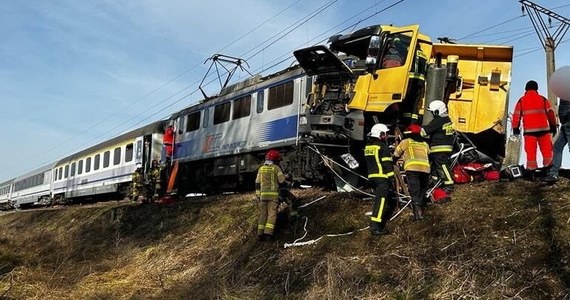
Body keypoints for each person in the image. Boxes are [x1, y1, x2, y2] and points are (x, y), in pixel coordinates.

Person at [512, 80, 558, 178]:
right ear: (537, 89)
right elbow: (550, 113)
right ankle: (548, 170)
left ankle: (531, 172)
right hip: (544, 130)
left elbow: (516, 115)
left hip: (529, 132)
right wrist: (553, 126)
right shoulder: (543, 99)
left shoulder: (521, 100)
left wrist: (515, 128)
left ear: (526, 89)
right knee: (547, 151)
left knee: (531, 153)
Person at [393, 124, 430, 220]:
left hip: (412, 169)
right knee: (422, 190)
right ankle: (421, 212)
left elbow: (396, 154)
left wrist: (392, 162)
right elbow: (429, 153)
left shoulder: (405, 142)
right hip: (425, 169)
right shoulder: (424, 143)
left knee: (414, 191)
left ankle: (418, 215)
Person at [364, 123, 396, 235]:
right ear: (380, 134)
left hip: (371, 177)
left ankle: (375, 225)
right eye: (385, 134)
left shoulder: (368, 147)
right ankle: (376, 227)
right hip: (382, 177)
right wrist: (392, 177)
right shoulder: (383, 146)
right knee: (381, 202)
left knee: (378, 200)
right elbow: (387, 163)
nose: (386, 136)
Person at [421, 100, 455, 199]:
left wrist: (415, 130)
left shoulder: (439, 120)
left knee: (442, 166)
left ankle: (449, 185)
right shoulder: (446, 119)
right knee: (435, 168)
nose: (432, 113)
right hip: (444, 147)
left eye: (432, 111)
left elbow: (424, 132)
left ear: (437, 111)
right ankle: (436, 184)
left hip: (439, 147)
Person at [255, 150, 286, 241]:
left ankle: (260, 234)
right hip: (273, 197)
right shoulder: (276, 168)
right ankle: (268, 234)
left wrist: (258, 195)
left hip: (262, 196)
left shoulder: (261, 169)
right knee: (272, 215)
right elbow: (282, 181)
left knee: (263, 215)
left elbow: (257, 183)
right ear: (276, 160)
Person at [543, 99, 570, 183]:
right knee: (557, 147)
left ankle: (553, 173)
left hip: (568, 121)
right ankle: (553, 173)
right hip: (565, 122)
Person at [402, 43, 428, 126]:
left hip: (411, 80)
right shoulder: (424, 55)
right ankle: (413, 122)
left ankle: (406, 121)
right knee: (415, 103)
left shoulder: (411, 52)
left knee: (407, 102)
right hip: (421, 82)